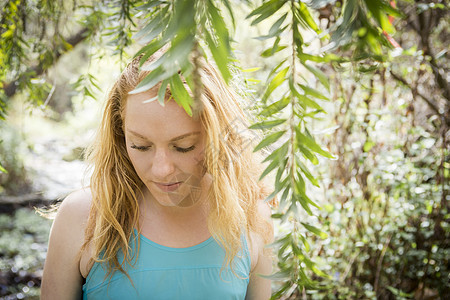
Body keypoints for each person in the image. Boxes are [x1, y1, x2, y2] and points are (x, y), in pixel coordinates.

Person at [41, 49, 274, 299]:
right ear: (121, 136)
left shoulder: (252, 217)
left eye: (183, 146)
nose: (162, 169)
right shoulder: (82, 217)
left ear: (218, 136)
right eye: (141, 146)